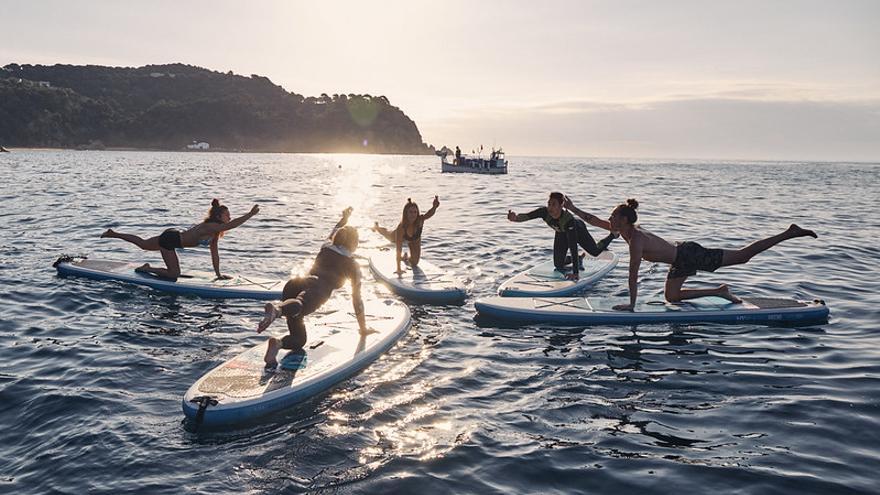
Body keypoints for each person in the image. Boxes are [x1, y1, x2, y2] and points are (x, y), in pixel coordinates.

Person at [606, 198, 817, 310]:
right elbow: (593, 220)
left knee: (743, 256)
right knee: (671, 297)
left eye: (613, 215)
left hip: (689, 254)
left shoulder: (636, 240)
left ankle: (789, 233)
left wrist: (631, 305)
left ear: (624, 220)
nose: (609, 217)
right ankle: (719, 291)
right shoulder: (625, 231)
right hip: (680, 259)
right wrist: (573, 209)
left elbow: (632, 274)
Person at [256, 207, 374, 369]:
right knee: (300, 305)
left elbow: (334, 230)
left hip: (295, 284)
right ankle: (277, 311)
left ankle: (276, 345)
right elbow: (357, 299)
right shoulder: (352, 265)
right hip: (315, 292)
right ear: (354, 243)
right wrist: (363, 328)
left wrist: (345, 218)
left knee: (299, 340)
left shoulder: (326, 246)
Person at [100, 199, 259, 280]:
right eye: (227, 215)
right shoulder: (210, 227)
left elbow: (214, 255)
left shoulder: (214, 233)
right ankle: (147, 268)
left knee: (143, 244)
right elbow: (232, 225)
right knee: (174, 274)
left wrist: (218, 274)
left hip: (172, 235)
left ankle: (113, 233)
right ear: (218, 217)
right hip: (170, 240)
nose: (229, 217)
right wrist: (250, 215)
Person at [507, 192, 616, 280]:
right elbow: (527, 216)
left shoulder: (569, 221)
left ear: (561, 206)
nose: (550, 207)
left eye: (553, 204)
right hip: (561, 233)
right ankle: (578, 259)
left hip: (578, 230)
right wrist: (515, 218)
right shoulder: (543, 212)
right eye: (549, 204)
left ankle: (612, 235)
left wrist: (575, 273)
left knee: (595, 252)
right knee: (558, 264)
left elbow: (573, 247)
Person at [372, 196, 440, 274]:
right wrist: (398, 268)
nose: (413, 215)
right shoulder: (401, 227)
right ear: (406, 213)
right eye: (410, 212)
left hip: (415, 239)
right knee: (389, 235)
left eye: (415, 212)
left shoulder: (420, 221)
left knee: (415, 262)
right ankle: (377, 227)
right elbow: (398, 249)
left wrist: (434, 207)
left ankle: (405, 258)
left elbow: (429, 214)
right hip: (402, 236)